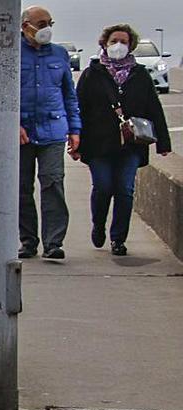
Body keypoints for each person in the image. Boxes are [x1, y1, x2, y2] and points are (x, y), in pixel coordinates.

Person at [76, 23, 172, 257]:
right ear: (104, 44)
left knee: (125, 190)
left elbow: (154, 108)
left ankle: (118, 238)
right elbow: (78, 108)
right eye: (113, 41)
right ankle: (98, 225)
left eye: (124, 42)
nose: (118, 45)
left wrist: (163, 143)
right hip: (98, 144)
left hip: (130, 145)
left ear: (131, 46)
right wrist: (75, 139)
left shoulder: (140, 75)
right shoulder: (92, 74)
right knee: (103, 187)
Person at [18, 5, 81, 260]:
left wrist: (75, 129)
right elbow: (0, 94)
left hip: (53, 129)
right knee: (21, 188)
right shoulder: (11, 54)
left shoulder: (59, 55)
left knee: (53, 184)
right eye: (41, 23)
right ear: (25, 26)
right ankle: (28, 241)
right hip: (21, 131)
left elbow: (69, 94)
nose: (47, 29)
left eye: (49, 23)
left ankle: (54, 243)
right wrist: (12, 123)